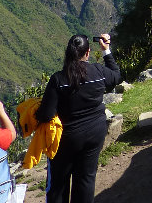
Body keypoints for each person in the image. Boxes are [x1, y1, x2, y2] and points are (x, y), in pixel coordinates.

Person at [36, 33, 121, 203]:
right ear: (88, 52)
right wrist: (106, 51)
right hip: (95, 133)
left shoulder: (59, 79)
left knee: (58, 184)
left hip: (66, 139)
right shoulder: (99, 72)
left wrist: (34, 111)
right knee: (86, 179)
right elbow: (116, 76)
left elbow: (46, 115)